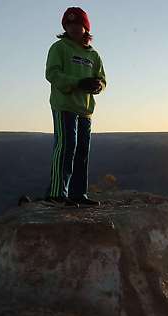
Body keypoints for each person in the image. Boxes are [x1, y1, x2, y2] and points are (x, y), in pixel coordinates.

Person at [44, 7, 106, 208]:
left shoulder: (93, 55)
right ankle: (57, 193)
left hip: (85, 109)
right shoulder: (59, 48)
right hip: (65, 106)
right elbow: (53, 74)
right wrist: (78, 82)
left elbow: (102, 79)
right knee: (66, 146)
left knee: (82, 151)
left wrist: (98, 86)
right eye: (68, 24)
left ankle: (79, 193)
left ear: (85, 27)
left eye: (77, 24)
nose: (73, 28)